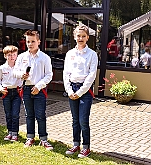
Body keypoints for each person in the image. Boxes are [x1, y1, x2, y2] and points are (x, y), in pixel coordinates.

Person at [13, 30, 53, 150]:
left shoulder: (44, 58)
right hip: (26, 88)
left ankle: (43, 139)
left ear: (39, 42)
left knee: (40, 115)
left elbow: (49, 75)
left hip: (39, 89)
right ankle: (30, 137)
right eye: (28, 41)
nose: (30, 44)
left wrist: (39, 86)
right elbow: (15, 71)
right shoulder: (22, 57)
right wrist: (21, 75)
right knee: (29, 115)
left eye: (33, 41)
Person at [63, 25, 98, 158]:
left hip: (85, 90)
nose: (80, 38)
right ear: (74, 37)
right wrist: (69, 90)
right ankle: (75, 144)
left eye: (83, 36)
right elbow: (66, 73)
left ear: (87, 37)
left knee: (83, 120)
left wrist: (80, 92)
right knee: (75, 120)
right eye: (78, 36)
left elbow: (92, 75)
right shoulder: (70, 54)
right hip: (72, 88)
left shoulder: (92, 54)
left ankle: (86, 147)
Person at [0, 45, 22, 142]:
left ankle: (15, 133)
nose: (12, 57)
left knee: (15, 114)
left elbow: (23, 78)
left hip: (16, 92)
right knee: (8, 113)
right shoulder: (1, 68)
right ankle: (9, 132)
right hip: (6, 92)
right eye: (9, 55)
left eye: (14, 55)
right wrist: (0, 88)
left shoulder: (19, 68)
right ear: (5, 56)